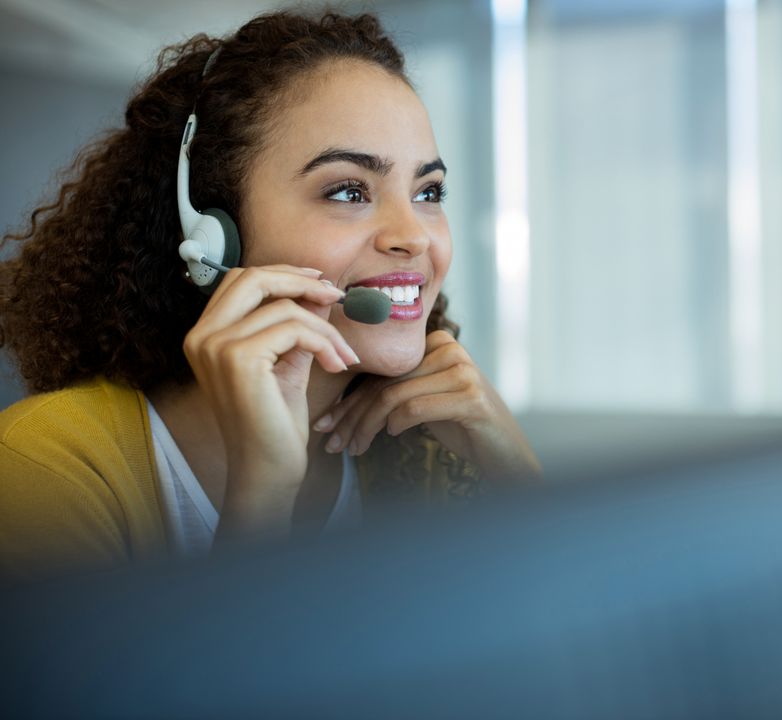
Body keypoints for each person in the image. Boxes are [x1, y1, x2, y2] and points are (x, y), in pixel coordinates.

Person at [0, 10, 541, 585]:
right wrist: (262, 493)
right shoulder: (45, 468)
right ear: (211, 231)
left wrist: (515, 472)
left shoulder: (419, 447)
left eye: (428, 191)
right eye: (349, 190)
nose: (412, 236)